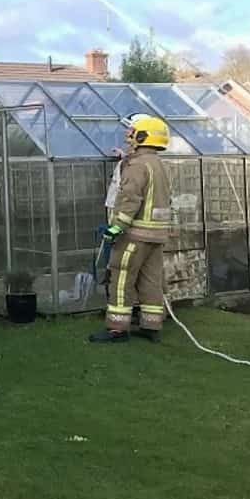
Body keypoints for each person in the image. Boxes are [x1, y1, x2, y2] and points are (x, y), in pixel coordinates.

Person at [89, 114, 174, 344]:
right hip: (156, 236)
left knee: (121, 278)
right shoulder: (157, 164)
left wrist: (117, 227)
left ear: (143, 135)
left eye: (133, 132)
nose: (129, 136)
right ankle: (151, 326)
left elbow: (130, 199)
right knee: (151, 281)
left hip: (134, 235)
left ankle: (117, 329)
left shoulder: (137, 165)